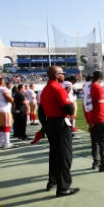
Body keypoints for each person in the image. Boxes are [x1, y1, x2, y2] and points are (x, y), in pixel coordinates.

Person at [39, 65, 79, 197]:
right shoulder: (58, 89)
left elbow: (40, 111)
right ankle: (63, 187)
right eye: (62, 73)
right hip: (61, 123)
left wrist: (45, 125)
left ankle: (53, 181)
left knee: (54, 154)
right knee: (65, 156)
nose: (64, 75)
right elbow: (70, 110)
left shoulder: (45, 90)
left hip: (50, 123)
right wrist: (67, 95)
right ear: (56, 75)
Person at [83, 70, 104, 172]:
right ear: (100, 78)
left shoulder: (87, 88)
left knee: (95, 141)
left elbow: (84, 105)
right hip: (99, 118)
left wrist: (89, 121)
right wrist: (94, 120)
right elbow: (98, 106)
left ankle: (96, 161)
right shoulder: (98, 87)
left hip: (92, 119)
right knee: (103, 140)